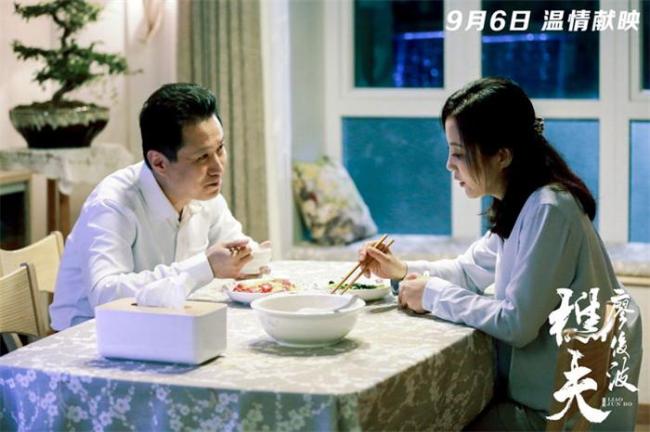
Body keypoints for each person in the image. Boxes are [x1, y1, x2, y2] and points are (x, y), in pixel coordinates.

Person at [359, 77, 642, 431]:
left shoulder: (549, 209)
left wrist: (431, 293)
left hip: (560, 415)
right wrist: (401, 270)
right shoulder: (523, 202)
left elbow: (516, 323)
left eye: (458, 152)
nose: (449, 165)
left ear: (503, 156)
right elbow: (468, 270)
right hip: (550, 392)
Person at [50, 83, 266, 330]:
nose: (218, 167)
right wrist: (204, 267)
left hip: (162, 325)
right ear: (159, 163)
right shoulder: (112, 204)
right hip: (92, 335)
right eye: (202, 157)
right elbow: (105, 296)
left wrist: (252, 256)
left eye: (220, 149)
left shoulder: (203, 192)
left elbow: (233, 246)